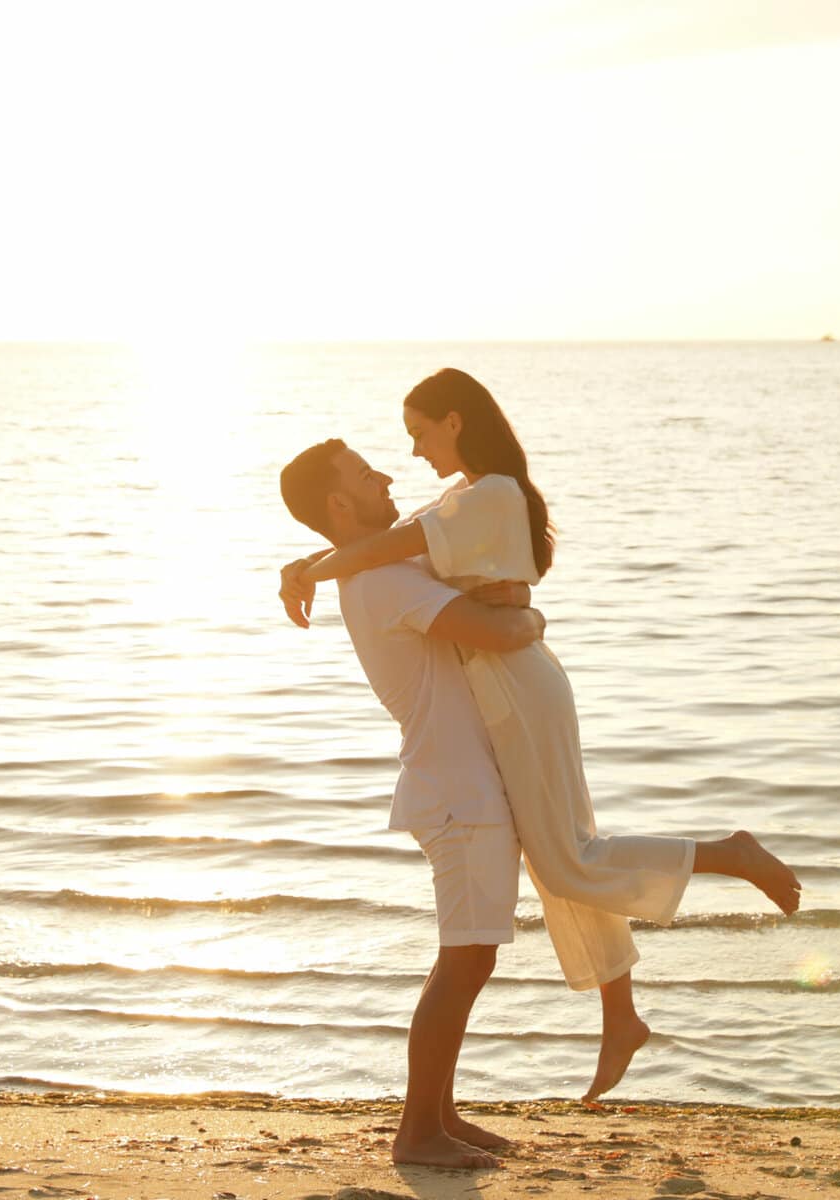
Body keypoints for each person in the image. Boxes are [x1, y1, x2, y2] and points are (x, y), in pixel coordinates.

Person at [279, 369, 801, 1104]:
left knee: (567, 858)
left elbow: (406, 565)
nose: (405, 458)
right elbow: (405, 562)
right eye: (376, 464)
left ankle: (727, 858)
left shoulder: (480, 495)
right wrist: (307, 563)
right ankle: (620, 1015)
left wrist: (308, 565)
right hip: (508, 687)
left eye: (418, 434)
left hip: (515, 686)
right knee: (566, 856)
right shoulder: (451, 509)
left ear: (455, 423)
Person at [279, 438, 545, 1170]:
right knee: (462, 962)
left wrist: (303, 563)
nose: (387, 475)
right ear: (339, 504)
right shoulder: (382, 583)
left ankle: (439, 1113)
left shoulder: (381, 568)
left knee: (471, 958)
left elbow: (448, 524)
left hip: (456, 786)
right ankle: (418, 1134)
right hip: (455, 792)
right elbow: (494, 632)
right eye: (366, 474)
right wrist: (532, 617)